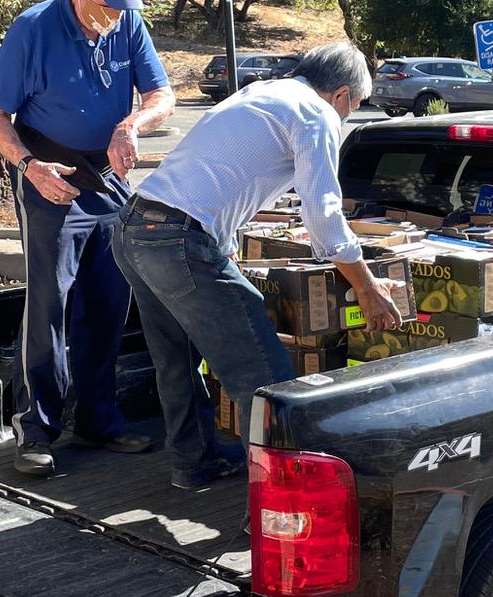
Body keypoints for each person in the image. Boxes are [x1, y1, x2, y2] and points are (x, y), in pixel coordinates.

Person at [110, 41, 404, 489]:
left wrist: (222, 242)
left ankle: (195, 462)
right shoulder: (316, 114)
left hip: (135, 228)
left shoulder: (264, 92)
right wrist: (365, 285)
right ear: (342, 95)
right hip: (177, 241)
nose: (348, 115)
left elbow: (222, 173)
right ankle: (278, 498)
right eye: (355, 107)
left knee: (176, 359)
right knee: (265, 378)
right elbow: (323, 212)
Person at [0, 0, 175, 477]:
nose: (113, 12)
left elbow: (163, 96)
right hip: (49, 170)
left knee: (110, 301)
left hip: (108, 172)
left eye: (123, 1)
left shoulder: (128, 22)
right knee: (51, 303)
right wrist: (29, 168)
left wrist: (132, 124)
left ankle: (99, 419)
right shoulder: (33, 29)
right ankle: (36, 430)